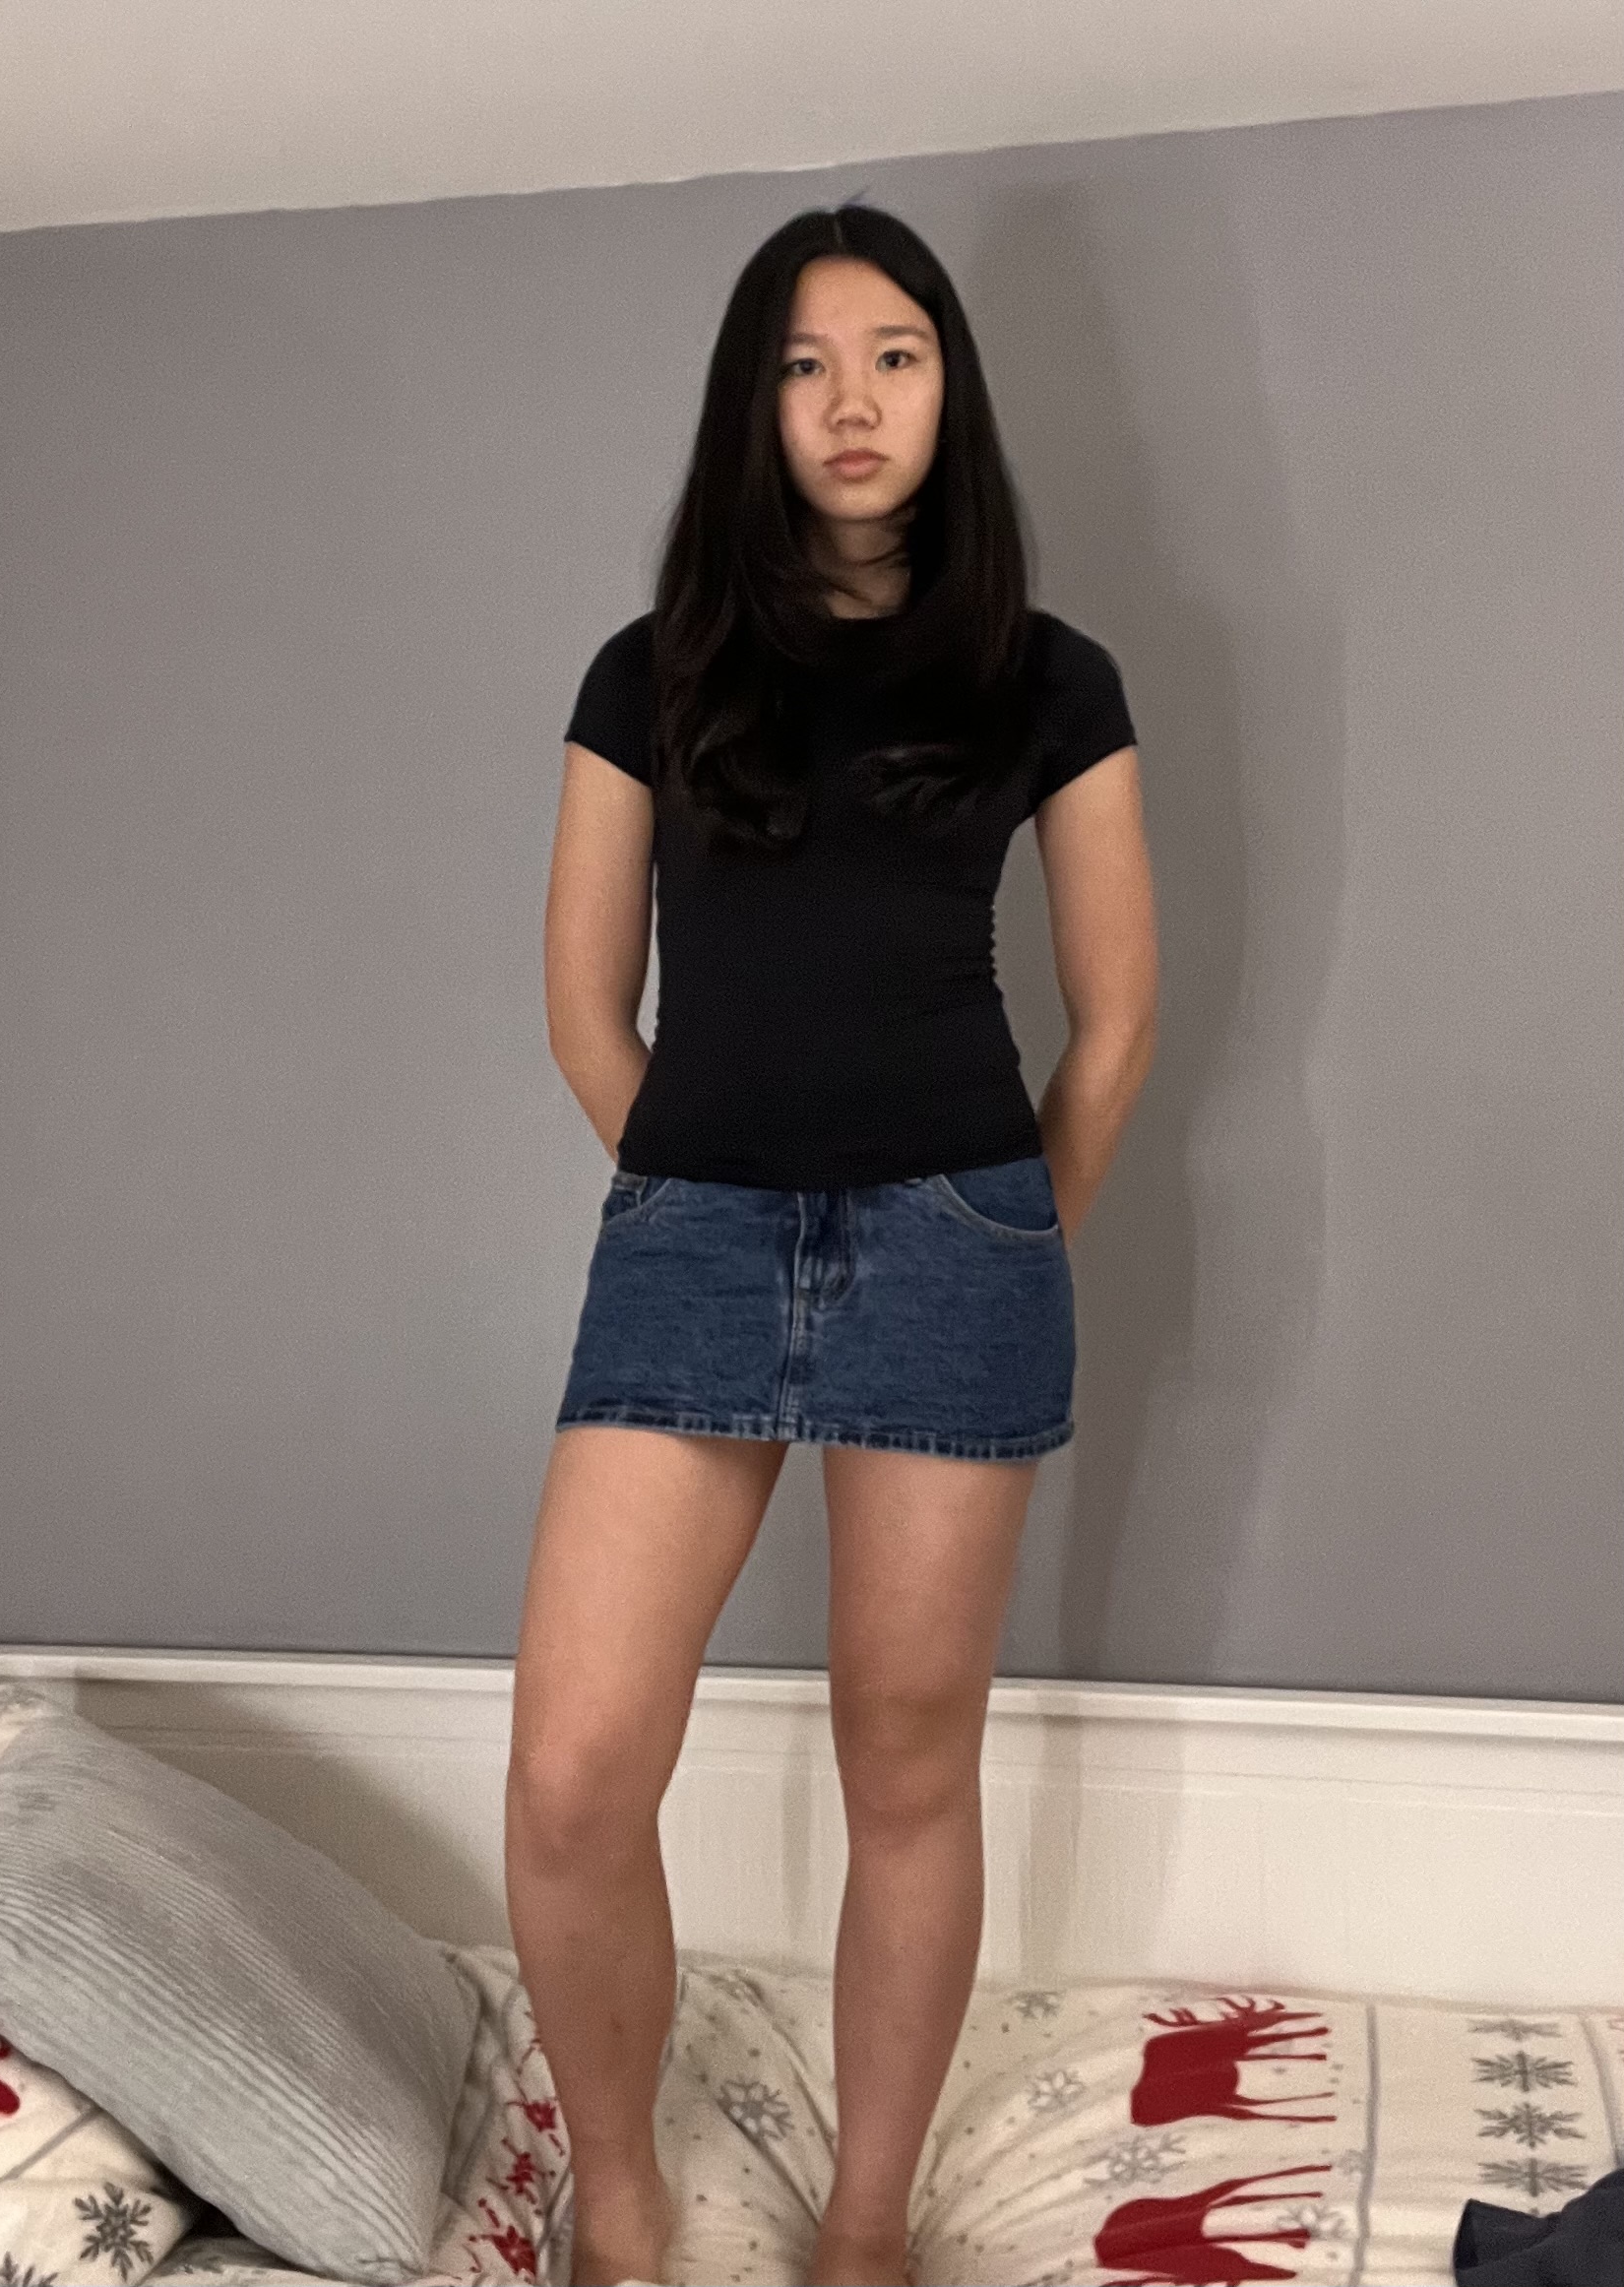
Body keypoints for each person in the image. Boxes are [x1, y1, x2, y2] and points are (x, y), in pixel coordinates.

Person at [505, 199, 1158, 2287]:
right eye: (803, 363)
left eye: (893, 354)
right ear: (753, 404)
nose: (850, 399)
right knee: (574, 1769)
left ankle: (865, 2228)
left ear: (949, 388)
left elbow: (1116, 1015)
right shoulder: (650, 671)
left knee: (905, 1757)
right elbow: (583, 1006)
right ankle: (626, 2210)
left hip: (955, 1239)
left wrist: (1000, 1227)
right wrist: (706, 1175)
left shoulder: (1048, 675)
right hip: (693, 1239)